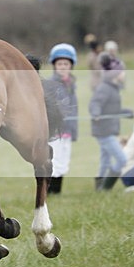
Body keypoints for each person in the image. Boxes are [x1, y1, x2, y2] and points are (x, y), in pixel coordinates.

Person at [89, 55, 134, 191]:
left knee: (105, 160)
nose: (124, 74)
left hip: (108, 130)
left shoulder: (113, 88)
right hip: (104, 131)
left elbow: (112, 110)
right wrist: (96, 113)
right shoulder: (105, 88)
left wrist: (126, 112)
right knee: (122, 160)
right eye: (122, 71)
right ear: (115, 74)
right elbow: (95, 103)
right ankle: (106, 187)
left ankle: (100, 186)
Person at [47, 43, 79, 194]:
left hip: (67, 130)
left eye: (66, 63)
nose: (63, 66)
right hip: (55, 131)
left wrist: (74, 130)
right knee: (55, 161)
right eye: (59, 63)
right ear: (54, 65)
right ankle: (50, 192)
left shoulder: (71, 84)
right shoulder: (52, 85)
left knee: (64, 161)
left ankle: (57, 191)